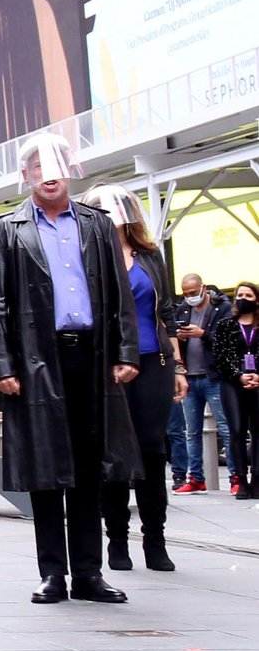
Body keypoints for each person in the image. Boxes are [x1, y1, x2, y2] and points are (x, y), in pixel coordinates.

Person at [0, 133, 136, 605]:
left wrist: (125, 351)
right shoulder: (6, 229)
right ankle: (53, 572)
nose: (47, 177)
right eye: (37, 168)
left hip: (90, 354)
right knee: (45, 465)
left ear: (68, 171)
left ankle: (89, 572)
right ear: (26, 175)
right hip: (34, 357)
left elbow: (119, 293)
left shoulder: (96, 224)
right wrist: (2, 364)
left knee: (90, 465)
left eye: (54, 168)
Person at [89, 186, 182, 571]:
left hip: (154, 362)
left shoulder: (150, 257)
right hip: (109, 366)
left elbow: (169, 312)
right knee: (113, 454)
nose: (112, 218)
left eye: (116, 211)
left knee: (152, 450)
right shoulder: (89, 258)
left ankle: (155, 540)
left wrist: (178, 366)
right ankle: (117, 541)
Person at [209, 281, 259, 500]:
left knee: (257, 430)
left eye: (248, 295)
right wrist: (239, 375)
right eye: (240, 295)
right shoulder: (226, 325)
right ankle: (240, 478)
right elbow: (220, 356)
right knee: (236, 430)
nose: (243, 298)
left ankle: (257, 477)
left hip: (257, 381)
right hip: (232, 381)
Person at [173, 273, 220, 492]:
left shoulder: (220, 308)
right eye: (185, 293)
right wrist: (179, 339)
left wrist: (203, 334)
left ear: (203, 287)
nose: (189, 297)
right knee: (191, 431)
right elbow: (171, 334)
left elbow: (225, 340)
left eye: (193, 293)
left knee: (225, 427)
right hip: (190, 377)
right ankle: (196, 478)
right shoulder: (182, 309)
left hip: (212, 376)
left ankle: (238, 477)